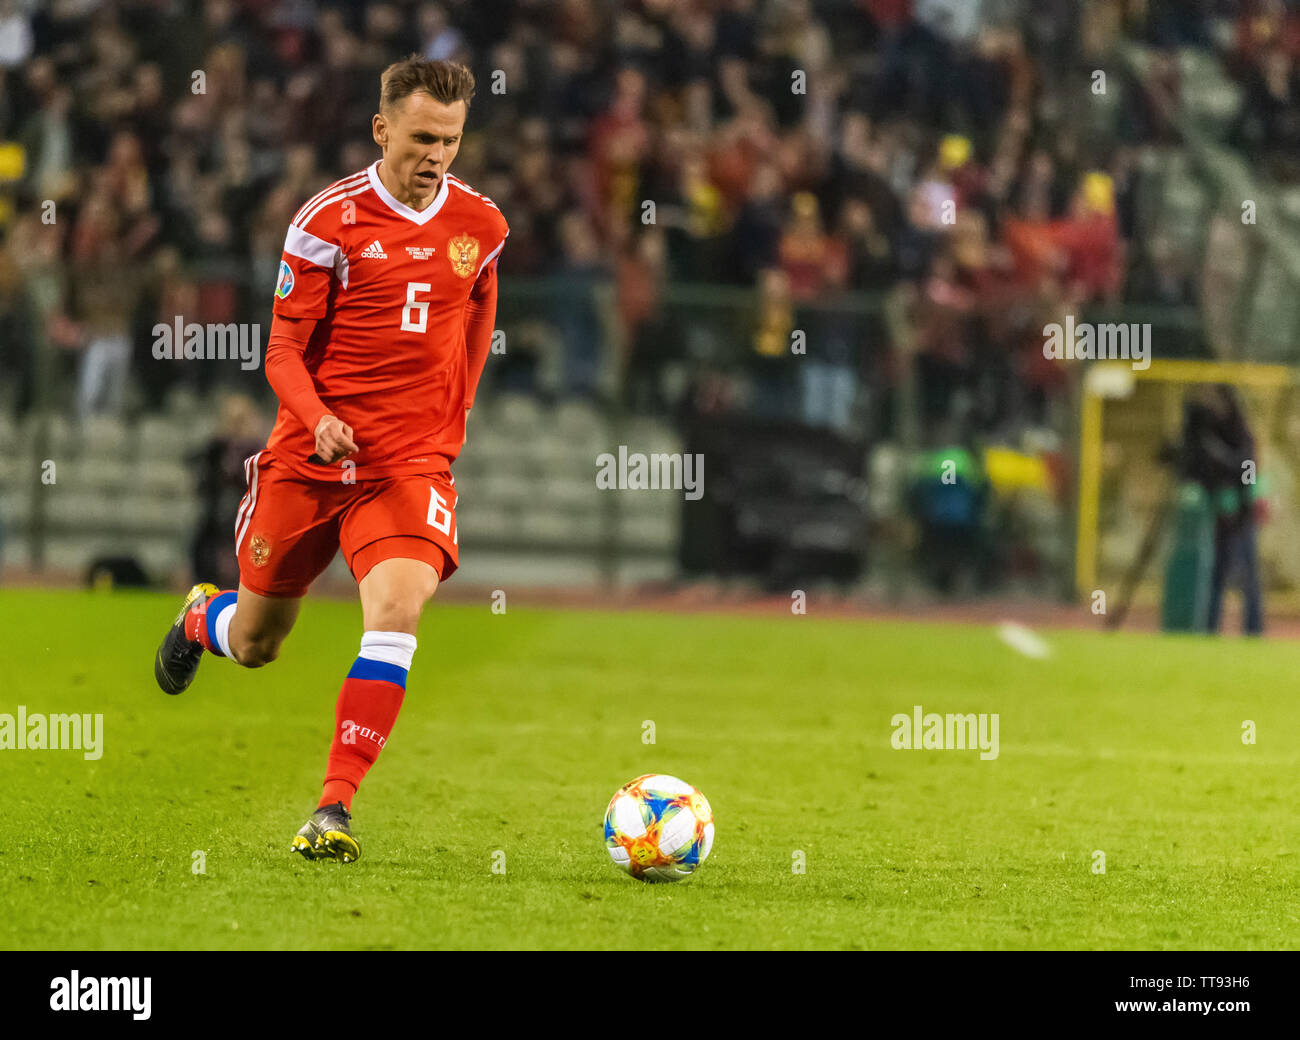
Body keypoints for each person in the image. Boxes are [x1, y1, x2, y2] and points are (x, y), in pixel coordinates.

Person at [152, 57, 508, 863]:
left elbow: (481, 303)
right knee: (255, 642)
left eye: (450, 141)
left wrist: (459, 408)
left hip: (407, 466)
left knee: (397, 615)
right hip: (309, 462)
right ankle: (198, 615)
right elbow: (280, 349)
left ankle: (333, 809)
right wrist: (316, 420)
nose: (437, 156)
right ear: (382, 130)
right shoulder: (327, 220)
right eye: (422, 138)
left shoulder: (480, 224)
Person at [1181, 384, 1264, 635]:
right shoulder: (1207, 433)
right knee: (1217, 574)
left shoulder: (1241, 435)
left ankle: (1253, 630)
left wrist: (1241, 498)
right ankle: (1210, 627)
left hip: (1241, 514)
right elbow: (1196, 470)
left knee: (1248, 575)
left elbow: (1247, 469)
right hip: (1218, 513)